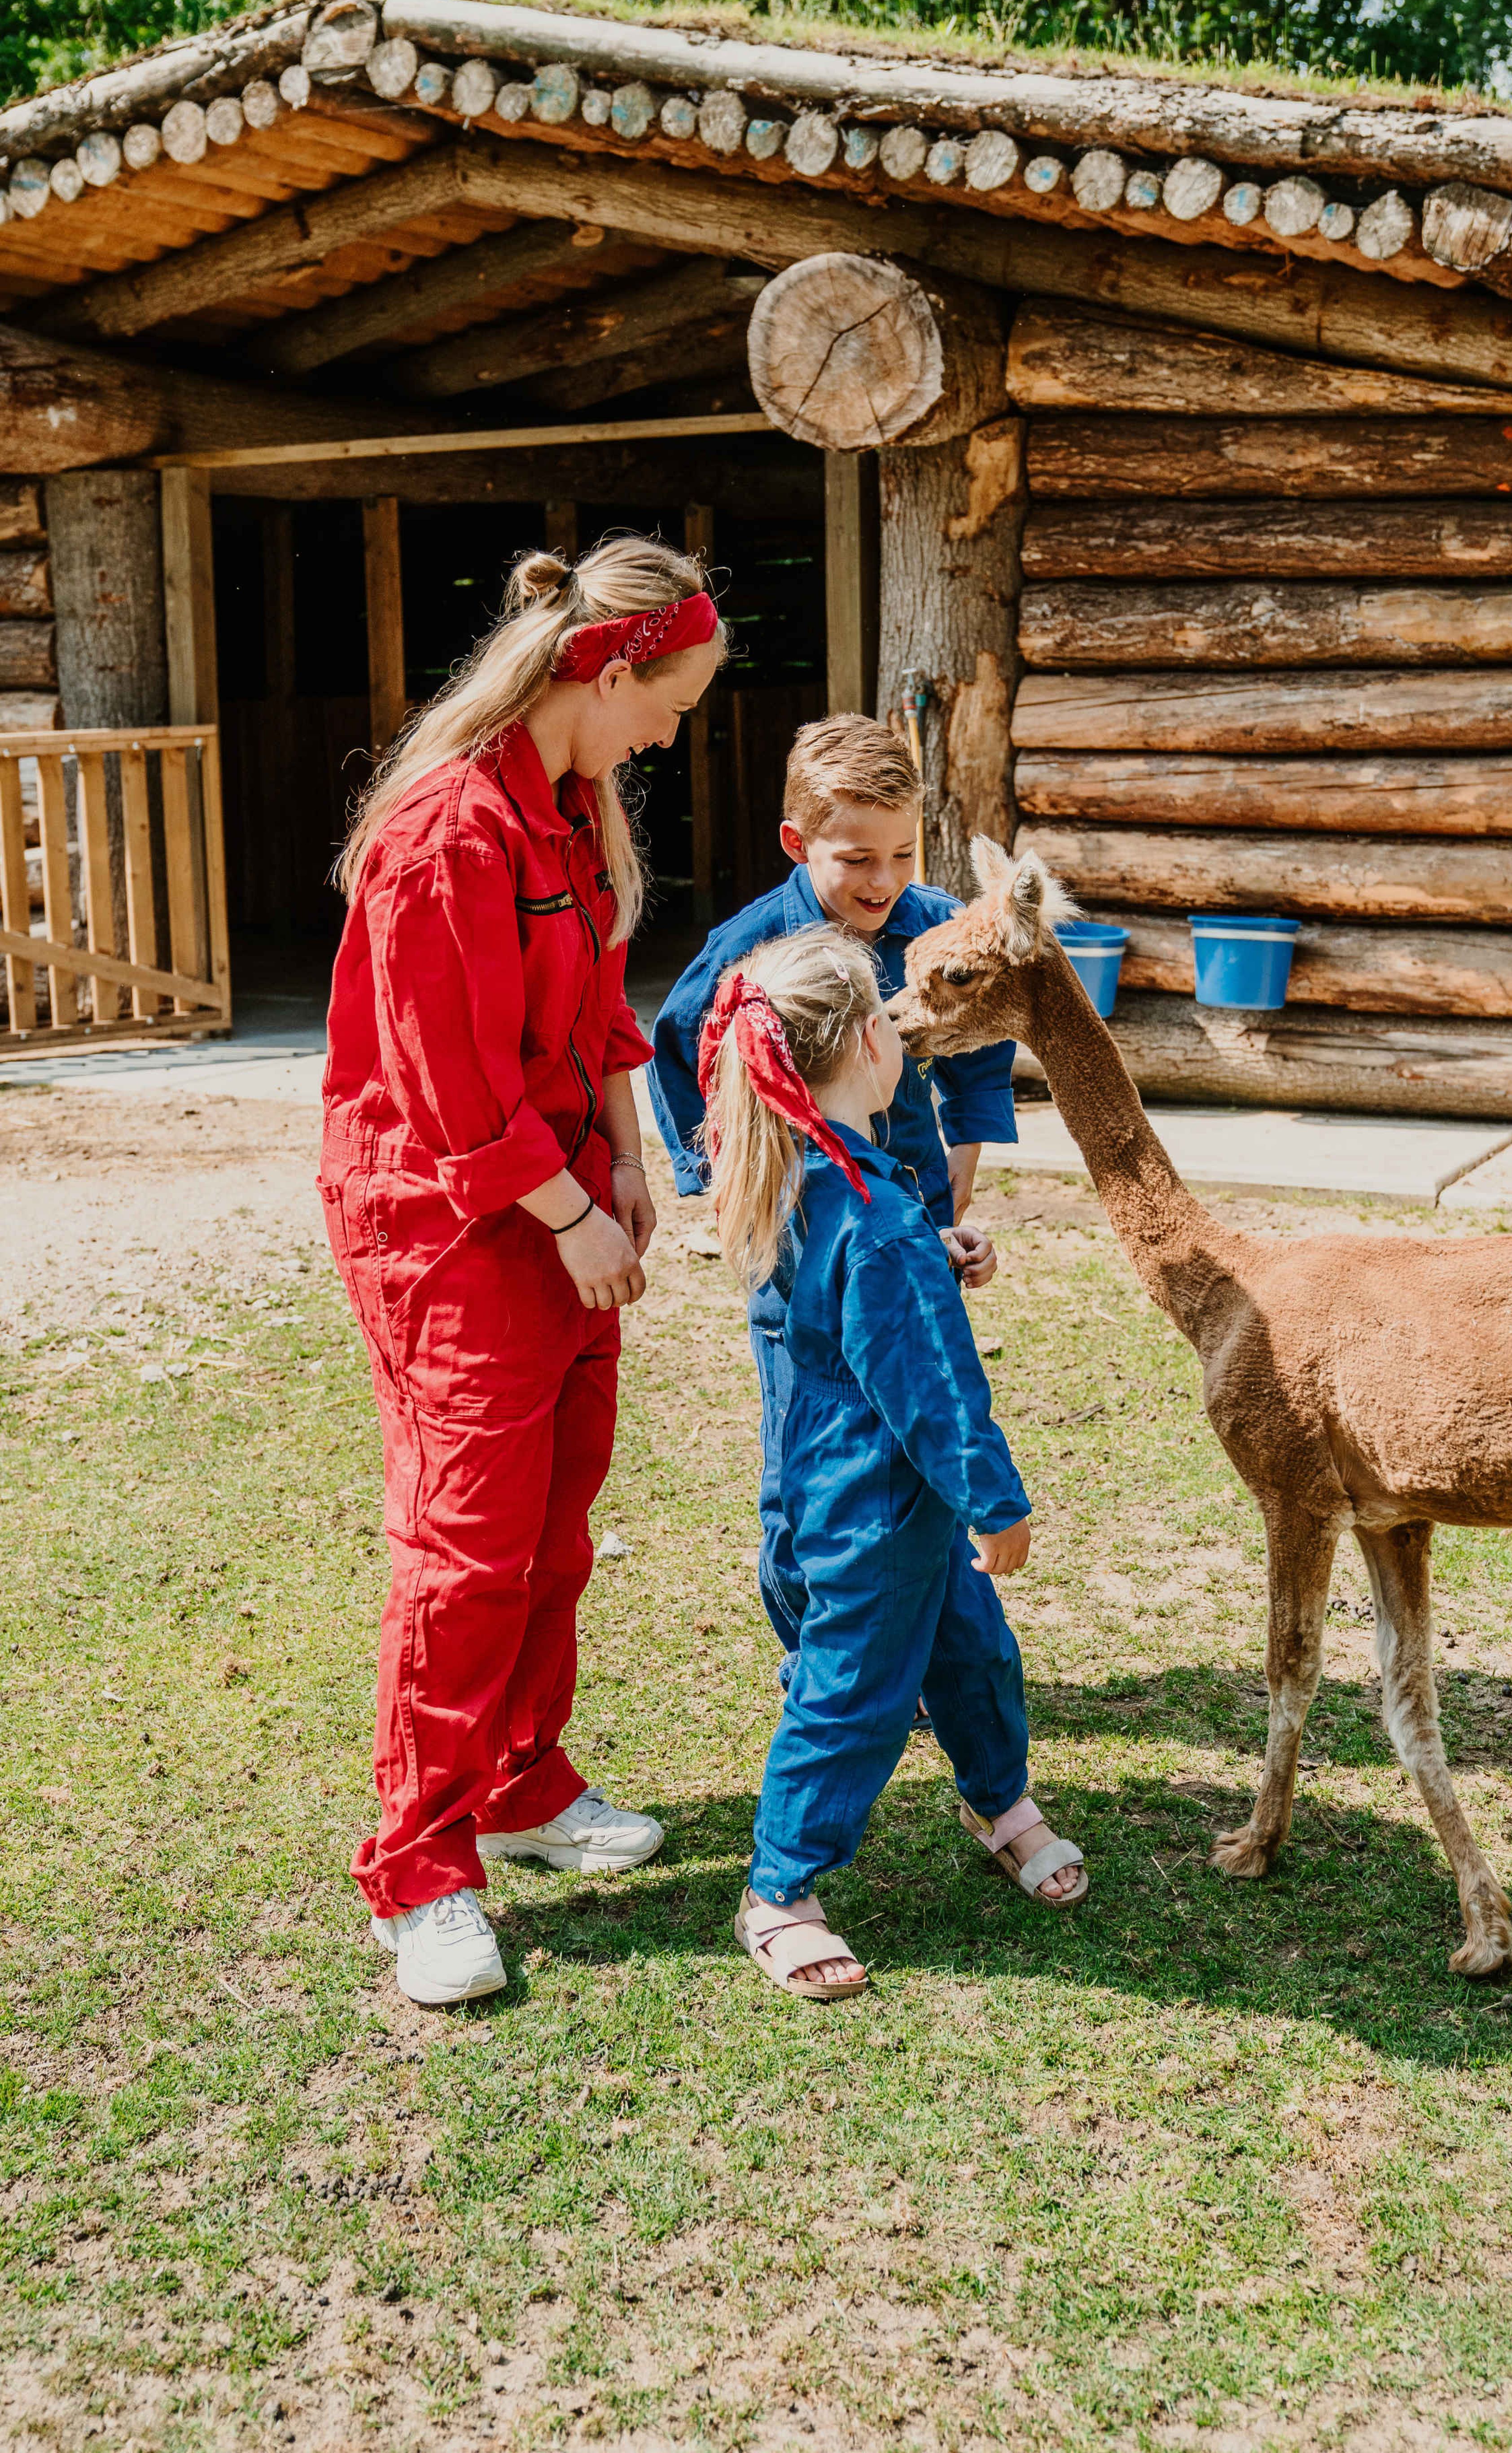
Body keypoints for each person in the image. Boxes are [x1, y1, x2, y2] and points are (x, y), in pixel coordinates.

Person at [321, 535, 725, 2007]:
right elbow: (451, 1098)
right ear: (611, 669)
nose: (675, 728)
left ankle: (520, 1780)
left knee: (555, 1530)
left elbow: (605, 1011)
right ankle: (420, 1867)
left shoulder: (565, 810)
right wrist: (569, 1214)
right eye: (671, 700)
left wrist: (627, 1153)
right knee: (466, 1553)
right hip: (452, 1226)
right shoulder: (445, 835)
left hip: (560, 1199)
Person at [699, 926, 1087, 2000]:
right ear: (874, 1041)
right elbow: (932, 1390)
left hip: (824, 1489)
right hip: (879, 1514)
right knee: (852, 1696)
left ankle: (998, 1799)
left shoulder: (809, 1180)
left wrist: (931, 1254)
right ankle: (782, 1886)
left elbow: (848, 1316)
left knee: (971, 1656)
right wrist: (996, 1504)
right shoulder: (873, 1223)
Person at [649, 714, 1018, 1678]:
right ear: (796, 843)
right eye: (857, 857)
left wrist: (946, 1225)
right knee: (811, 1463)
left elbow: (977, 1071)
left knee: (923, 1425)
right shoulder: (753, 950)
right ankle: (820, 1648)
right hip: (803, 1260)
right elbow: (680, 1049)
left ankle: (924, 1653)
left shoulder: (936, 930)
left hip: (905, 1242)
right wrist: (733, 1192)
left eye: (903, 853)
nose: (883, 880)